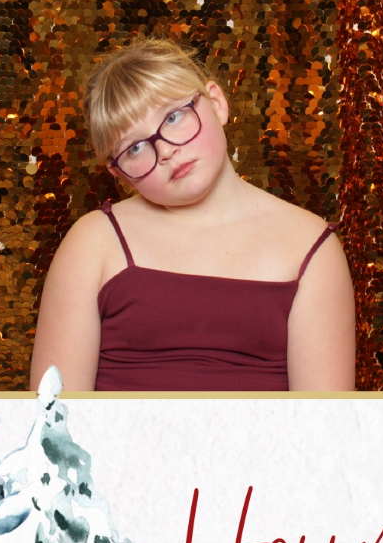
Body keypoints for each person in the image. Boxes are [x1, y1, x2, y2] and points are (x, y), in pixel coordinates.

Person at [29, 39, 355, 392]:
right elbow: (53, 416)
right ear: (119, 174)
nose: (166, 151)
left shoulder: (310, 246)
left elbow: (322, 420)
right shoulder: (92, 242)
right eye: (135, 148)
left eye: (173, 117)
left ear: (216, 103)